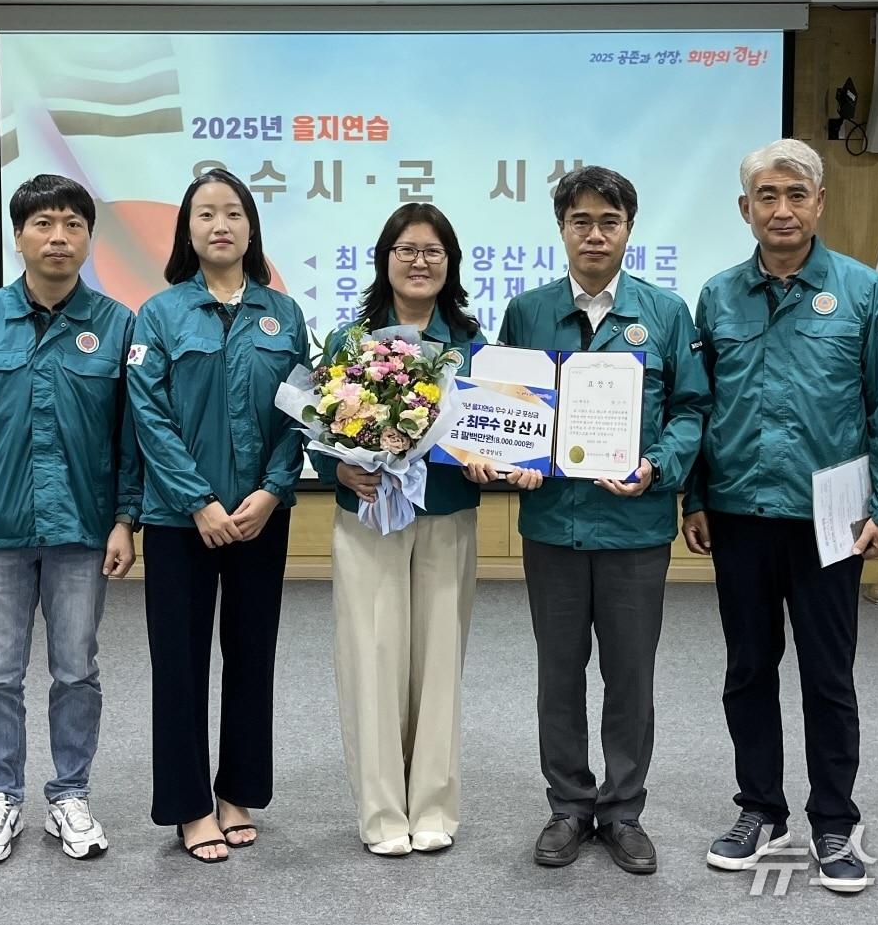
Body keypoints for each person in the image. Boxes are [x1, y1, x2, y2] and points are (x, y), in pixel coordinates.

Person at [683, 138, 878, 893]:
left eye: (794, 194)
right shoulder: (716, 295)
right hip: (739, 512)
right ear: (744, 208)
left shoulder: (863, 292)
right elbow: (698, 405)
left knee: (826, 673)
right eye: (765, 197)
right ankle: (759, 807)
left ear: (818, 202)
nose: (780, 209)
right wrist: (693, 495)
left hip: (831, 518)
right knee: (747, 667)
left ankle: (834, 820)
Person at [0, 174, 141, 865]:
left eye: (73, 224)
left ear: (87, 238)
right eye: (44, 224)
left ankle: (69, 793)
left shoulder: (117, 325)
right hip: (0, 529)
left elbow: (131, 434)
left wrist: (126, 518)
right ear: (19, 236)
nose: (58, 237)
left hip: (82, 530)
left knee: (76, 670)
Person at [495, 166, 709, 872]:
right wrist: (513, 456)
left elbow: (689, 409)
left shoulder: (665, 313)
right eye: (580, 220)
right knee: (558, 676)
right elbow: (509, 404)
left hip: (634, 530)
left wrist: (656, 464)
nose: (594, 234)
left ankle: (621, 811)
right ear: (561, 229)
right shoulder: (526, 311)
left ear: (628, 229)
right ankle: (566, 805)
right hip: (553, 525)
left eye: (608, 222)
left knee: (629, 678)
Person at [126, 168, 308, 864]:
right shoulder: (160, 313)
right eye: (205, 214)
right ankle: (188, 805)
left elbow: (304, 413)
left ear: (251, 226)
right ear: (188, 230)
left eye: (232, 212)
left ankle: (236, 791)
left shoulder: (282, 315)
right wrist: (196, 499)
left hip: (262, 515)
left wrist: (270, 491)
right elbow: (149, 414)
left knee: (250, 656)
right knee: (179, 662)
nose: (220, 224)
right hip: (182, 521)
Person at [314, 203, 489, 856]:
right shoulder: (348, 341)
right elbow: (315, 429)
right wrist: (340, 469)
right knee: (372, 657)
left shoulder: (474, 348)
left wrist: (493, 462)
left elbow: (494, 436)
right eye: (406, 249)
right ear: (384, 258)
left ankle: (434, 807)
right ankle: (383, 813)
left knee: (439, 662)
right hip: (367, 519)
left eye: (433, 252)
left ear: (451, 265)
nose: (419, 262)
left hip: (447, 517)